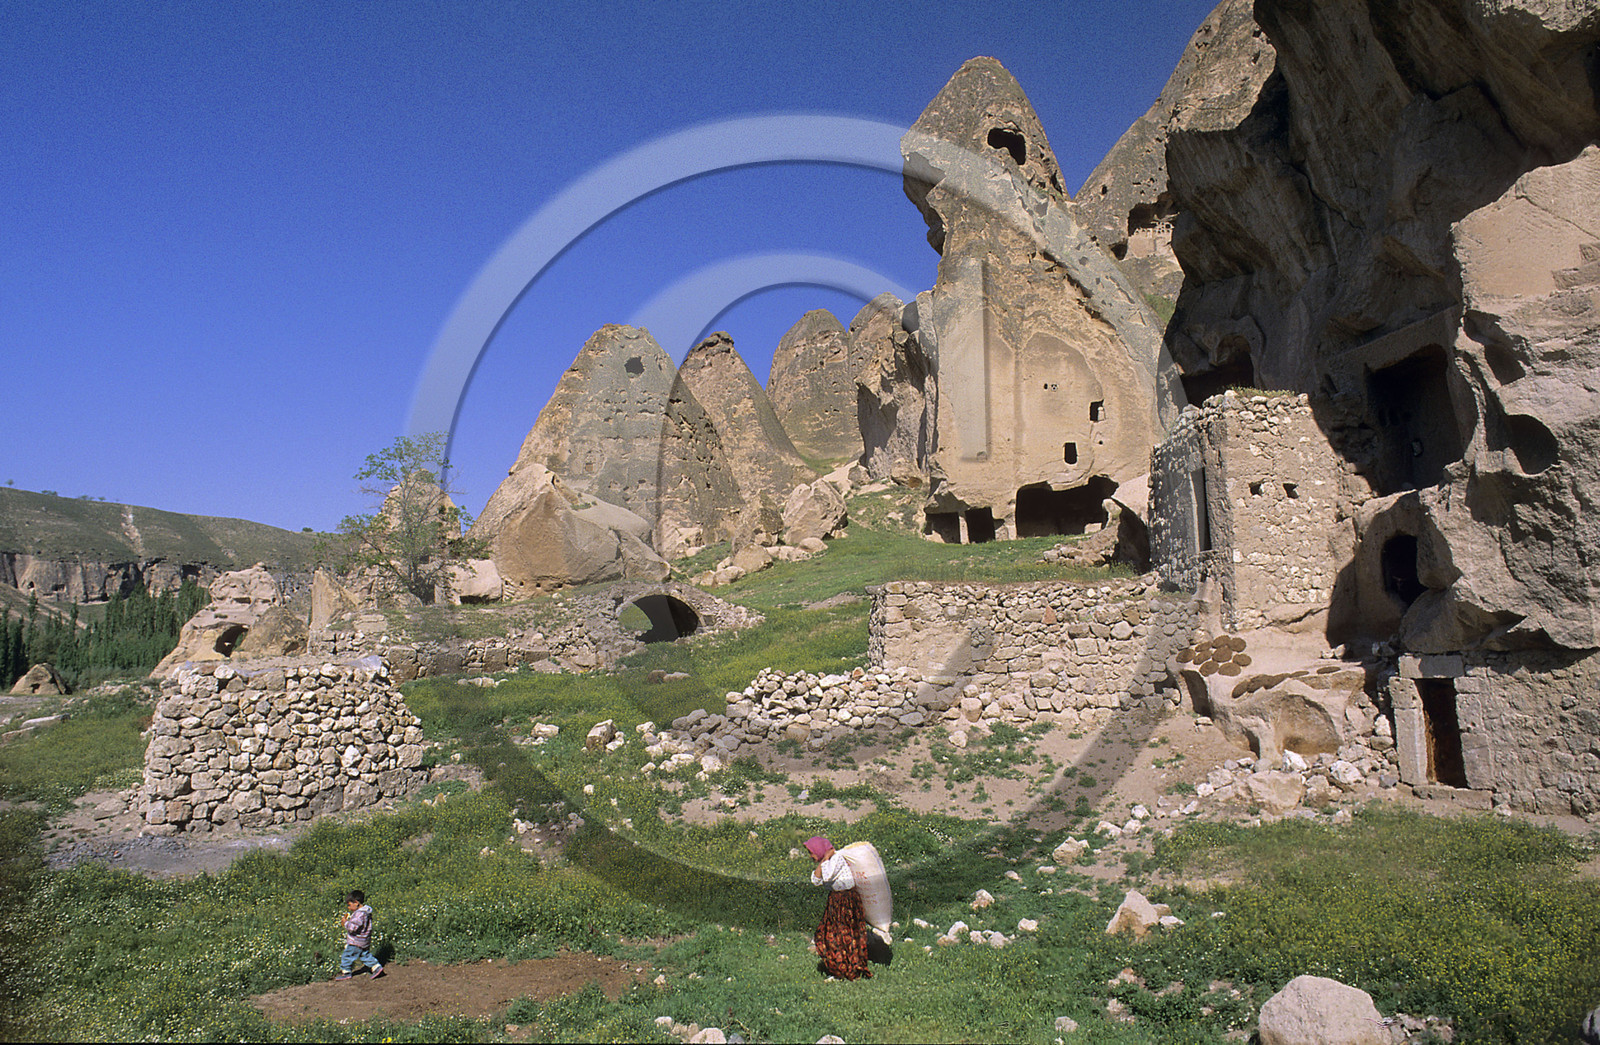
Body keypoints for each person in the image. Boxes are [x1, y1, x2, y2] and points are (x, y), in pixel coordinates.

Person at [806, 836, 871, 980]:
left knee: (845, 935)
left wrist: (826, 859)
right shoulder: (827, 862)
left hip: (847, 901)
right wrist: (824, 860)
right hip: (836, 901)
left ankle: (849, 970)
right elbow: (815, 880)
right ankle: (841, 969)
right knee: (828, 934)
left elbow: (827, 876)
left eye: (812, 852)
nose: (811, 856)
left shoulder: (837, 859)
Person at [335, 889, 385, 980]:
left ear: (356, 903)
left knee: (347, 956)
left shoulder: (359, 914)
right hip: (364, 940)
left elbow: (353, 928)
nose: (348, 908)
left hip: (356, 941)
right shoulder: (366, 912)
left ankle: (346, 972)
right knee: (364, 955)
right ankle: (376, 967)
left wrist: (346, 923)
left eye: (349, 905)